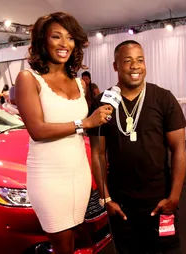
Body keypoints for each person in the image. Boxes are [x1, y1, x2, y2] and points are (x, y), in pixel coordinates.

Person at [14, 12, 113, 254]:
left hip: (78, 174)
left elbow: (93, 123)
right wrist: (84, 123)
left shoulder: (79, 82)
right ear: (42, 41)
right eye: (56, 36)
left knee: (74, 241)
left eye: (70, 38)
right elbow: (37, 130)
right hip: (48, 177)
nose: (64, 44)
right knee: (62, 244)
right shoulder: (28, 78)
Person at [87, 40, 186, 254]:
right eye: (127, 61)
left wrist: (174, 197)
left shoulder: (163, 98)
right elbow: (97, 153)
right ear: (115, 66)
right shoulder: (102, 102)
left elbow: (179, 149)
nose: (135, 66)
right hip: (121, 205)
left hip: (159, 201)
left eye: (140, 60)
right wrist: (106, 199)